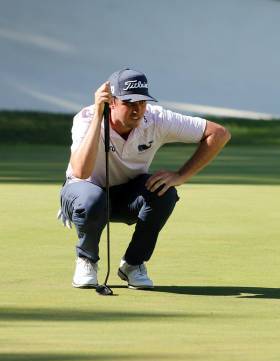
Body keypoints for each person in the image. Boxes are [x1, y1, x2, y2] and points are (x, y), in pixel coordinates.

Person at [57, 68, 231, 289]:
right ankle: (86, 260)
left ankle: (132, 264)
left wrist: (181, 175)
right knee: (91, 198)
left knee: (165, 192)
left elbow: (219, 134)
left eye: (142, 102)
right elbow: (81, 172)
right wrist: (98, 118)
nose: (138, 110)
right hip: (84, 192)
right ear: (112, 102)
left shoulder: (156, 119)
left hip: (126, 195)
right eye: (130, 103)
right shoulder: (86, 118)